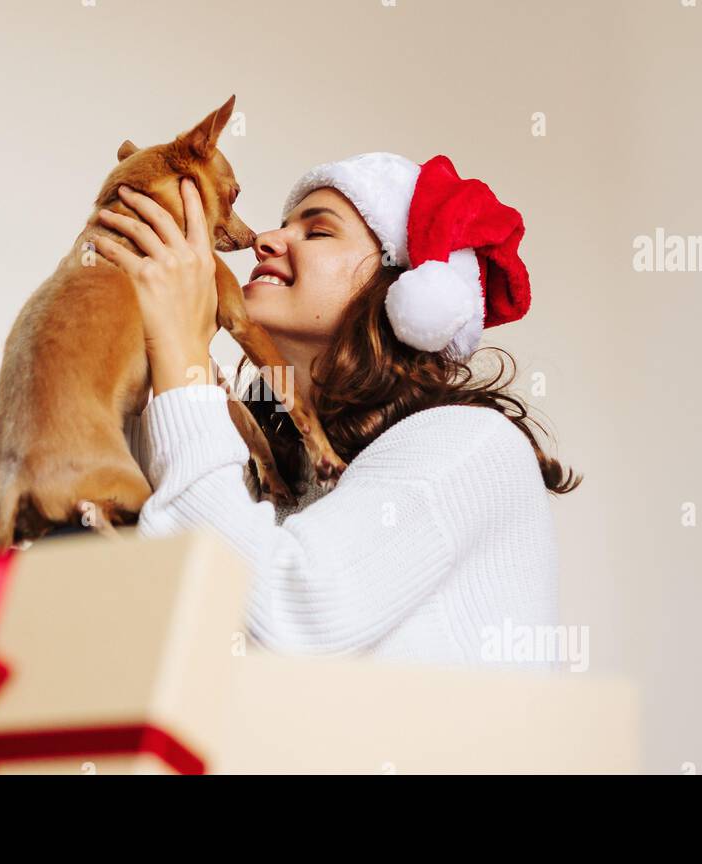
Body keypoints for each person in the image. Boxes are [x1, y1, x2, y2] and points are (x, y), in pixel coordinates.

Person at [91, 152, 580, 666]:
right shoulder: (277, 471)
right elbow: (154, 588)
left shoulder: (471, 444)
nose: (266, 240)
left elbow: (286, 617)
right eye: (282, 225)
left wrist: (181, 354)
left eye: (318, 231)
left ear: (398, 285)